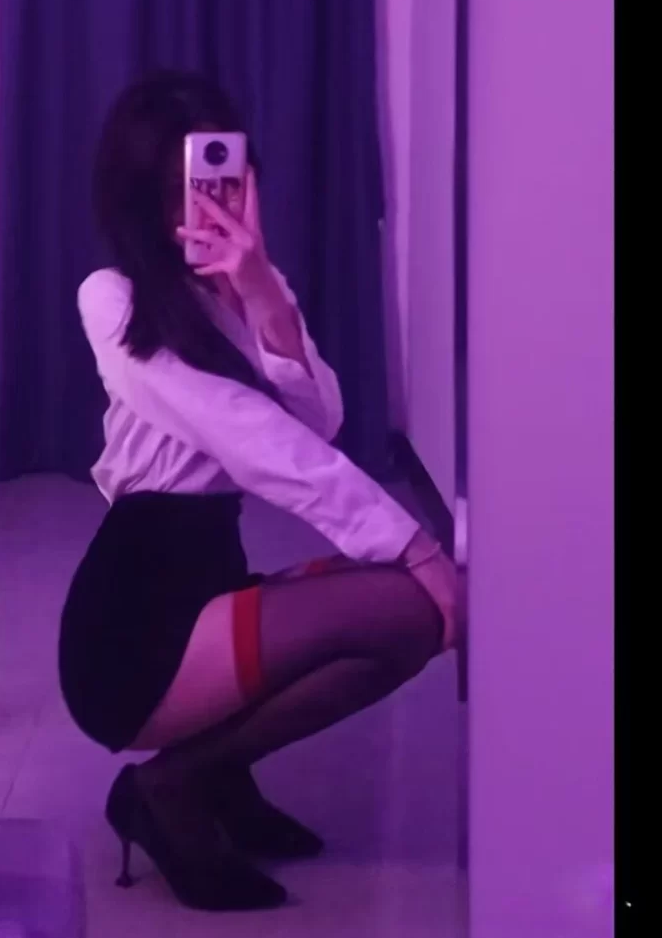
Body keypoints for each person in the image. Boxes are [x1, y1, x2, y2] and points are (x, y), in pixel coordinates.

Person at [58, 71, 460, 912]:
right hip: (134, 629)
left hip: (213, 579)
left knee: (407, 626)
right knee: (410, 605)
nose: (205, 202)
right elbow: (249, 436)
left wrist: (261, 288)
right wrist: (414, 544)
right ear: (141, 198)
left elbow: (317, 419)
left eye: (222, 176)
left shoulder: (240, 289)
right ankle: (170, 787)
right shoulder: (112, 298)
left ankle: (213, 774)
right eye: (181, 186)